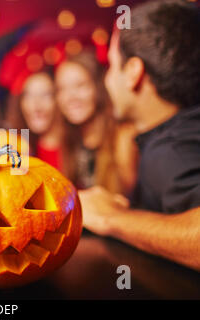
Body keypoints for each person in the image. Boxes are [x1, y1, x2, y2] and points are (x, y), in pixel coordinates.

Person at [80, 0, 200, 271]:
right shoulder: (178, 133)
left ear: (134, 72)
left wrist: (112, 217)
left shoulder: (171, 151)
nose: (108, 80)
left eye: (112, 66)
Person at [55, 51, 137, 195]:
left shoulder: (122, 137)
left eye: (80, 86)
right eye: (62, 89)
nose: (70, 97)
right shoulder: (71, 140)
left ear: (97, 88)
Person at [15, 69, 63, 169]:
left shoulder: (78, 151)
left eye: (45, 95)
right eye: (28, 96)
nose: (36, 106)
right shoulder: (19, 150)